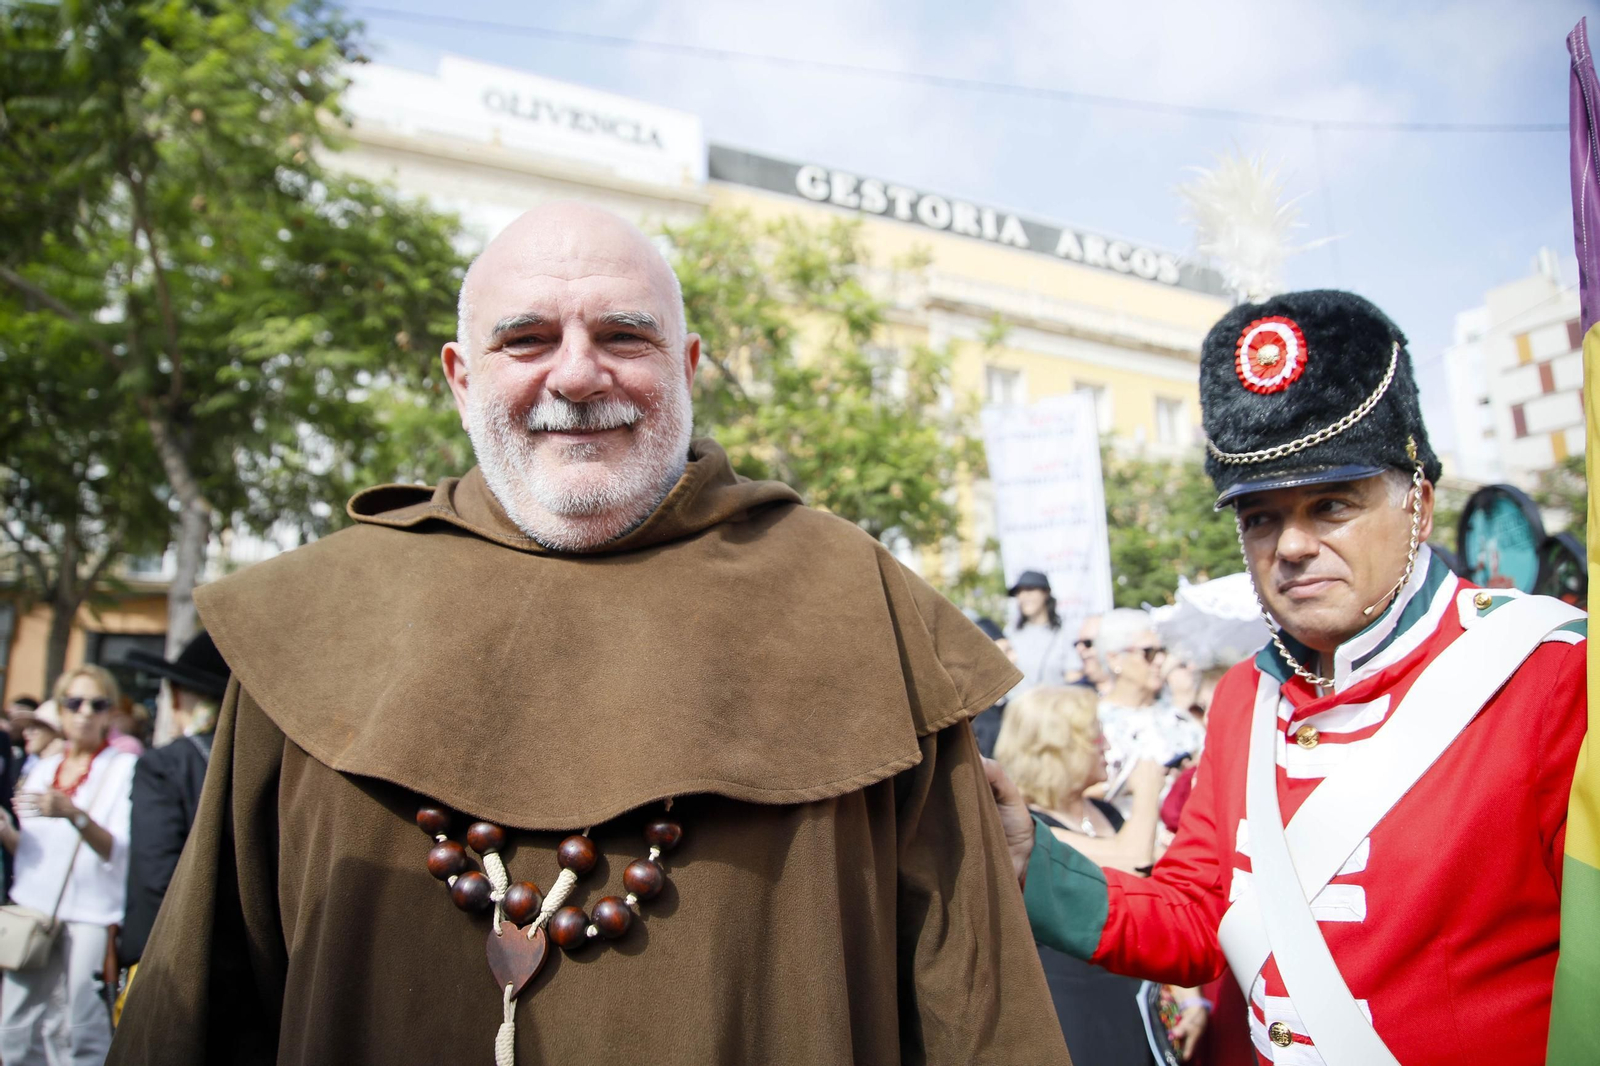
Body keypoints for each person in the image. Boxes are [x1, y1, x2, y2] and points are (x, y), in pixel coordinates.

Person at [109, 202, 1068, 1065]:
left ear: (687, 368)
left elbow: (975, 1010)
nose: (576, 373)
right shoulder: (316, 620)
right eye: (526, 339)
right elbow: (202, 1001)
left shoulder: (860, 603)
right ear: (459, 378)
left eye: (624, 335)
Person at [989, 291, 1588, 1065]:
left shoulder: (1551, 673)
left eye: (1330, 504)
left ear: (1421, 506)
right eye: (1260, 518)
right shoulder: (1246, 694)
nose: (1291, 545)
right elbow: (1200, 913)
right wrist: (1028, 860)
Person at [991, 685, 1164, 1063]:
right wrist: (1148, 791)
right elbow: (1133, 859)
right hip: (1073, 1001)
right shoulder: (1028, 825)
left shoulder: (1107, 811)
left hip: (1135, 989)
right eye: (1094, 734)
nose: (1106, 743)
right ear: (1059, 745)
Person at [0, 665, 138, 1066]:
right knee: (13, 1024)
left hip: (91, 914)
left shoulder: (123, 768)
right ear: (60, 710)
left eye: (97, 704)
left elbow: (118, 849)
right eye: (74, 702)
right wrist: (7, 833)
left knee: (81, 1028)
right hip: (34, 908)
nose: (85, 712)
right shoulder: (43, 767)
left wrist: (73, 813)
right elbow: (32, 851)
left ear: (111, 713)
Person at [116, 632, 228, 971]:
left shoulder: (164, 765)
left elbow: (157, 875)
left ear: (178, 698)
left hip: (170, 959)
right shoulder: (264, 766)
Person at [1094, 608, 1204, 810]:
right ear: (1114, 658)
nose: (1160, 661)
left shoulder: (1180, 719)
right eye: (1149, 653)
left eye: (1161, 652)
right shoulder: (1092, 722)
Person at [1004, 570, 1072, 693]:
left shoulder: (1064, 633)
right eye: (1019, 592)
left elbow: (1073, 677)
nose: (1023, 596)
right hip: (1016, 708)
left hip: (1054, 708)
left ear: (1046, 593)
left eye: (1030, 589)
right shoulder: (1010, 633)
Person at [968, 616, 1015, 757]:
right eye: (1005, 651)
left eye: (1011, 649)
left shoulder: (1009, 706)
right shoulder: (975, 720)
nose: (1014, 657)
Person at [1064, 614, 1107, 691]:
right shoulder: (1073, 692)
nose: (1079, 649)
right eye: (1077, 644)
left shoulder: (1133, 693)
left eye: (1087, 643)